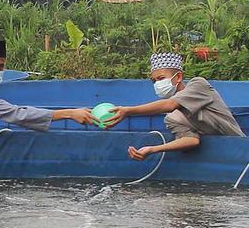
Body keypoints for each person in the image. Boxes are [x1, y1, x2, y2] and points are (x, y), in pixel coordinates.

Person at [103, 51, 244, 159]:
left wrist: (128, 111)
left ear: (178, 77)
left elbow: (170, 104)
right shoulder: (173, 118)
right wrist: (153, 149)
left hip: (241, 149)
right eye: (154, 81)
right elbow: (191, 141)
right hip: (219, 158)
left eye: (161, 78)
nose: (157, 84)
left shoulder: (198, 85)